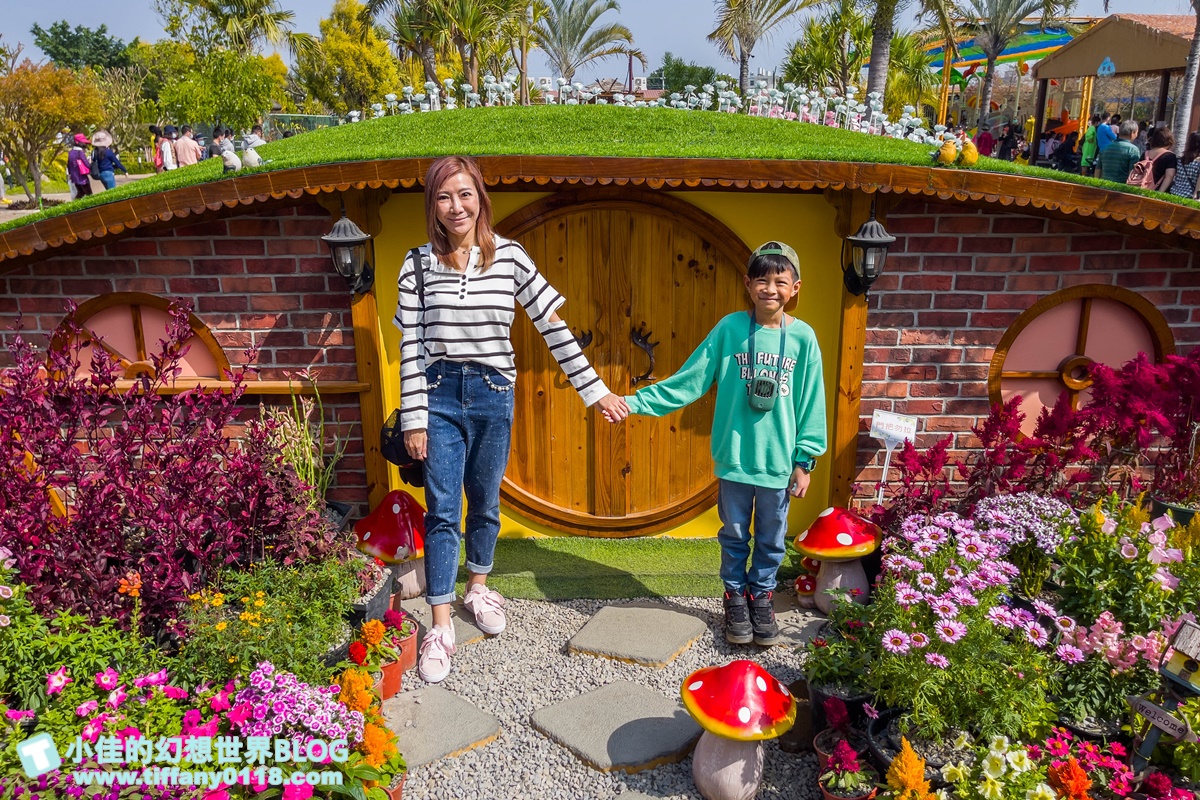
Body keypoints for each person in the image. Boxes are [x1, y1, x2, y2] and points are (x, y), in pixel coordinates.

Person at [395, 156, 629, 684]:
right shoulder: (416, 265)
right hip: (437, 396)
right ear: (432, 205)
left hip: (494, 392)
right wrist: (414, 417)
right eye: (443, 197)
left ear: (480, 197)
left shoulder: (512, 258)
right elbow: (410, 347)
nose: (456, 207)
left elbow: (554, 329)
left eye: (465, 195)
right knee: (441, 506)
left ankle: (477, 588)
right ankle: (439, 622)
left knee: (486, 499)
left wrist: (595, 391)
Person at [622, 242, 827, 647]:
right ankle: (735, 596)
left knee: (771, 536)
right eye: (763, 280)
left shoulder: (803, 339)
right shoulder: (730, 329)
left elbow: (811, 402)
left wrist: (804, 460)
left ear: (796, 287)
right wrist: (633, 404)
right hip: (734, 458)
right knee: (734, 533)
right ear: (748, 284)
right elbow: (690, 380)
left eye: (781, 281)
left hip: (779, 463)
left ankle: (762, 596)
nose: (771, 289)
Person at [1144, 127, 1178, 192]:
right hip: (1157, 190)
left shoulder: (1145, 154)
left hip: (1142, 189)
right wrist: (1160, 193)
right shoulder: (1170, 156)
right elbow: (1169, 175)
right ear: (1169, 140)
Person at [1169, 132, 1200, 199]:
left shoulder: (1180, 160)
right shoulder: (1198, 163)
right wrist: (1196, 197)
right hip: (1188, 197)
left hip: (1173, 193)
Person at [66, 133, 93, 200]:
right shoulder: (80, 152)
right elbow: (86, 162)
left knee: (80, 192)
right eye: (83, 142)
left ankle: (75, 205)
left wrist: (70, 174)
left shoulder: (71, 152)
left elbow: (69, 164)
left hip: (74, 177)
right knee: (89, 193)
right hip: (81, 177)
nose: (84, 144)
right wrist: (92, 168)